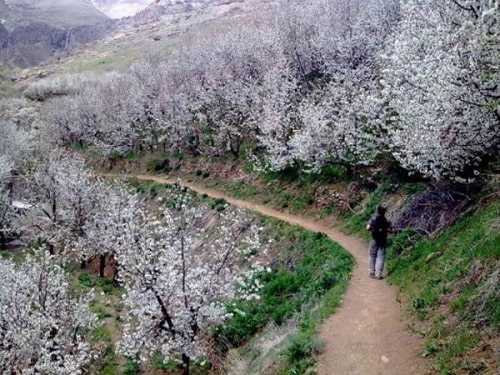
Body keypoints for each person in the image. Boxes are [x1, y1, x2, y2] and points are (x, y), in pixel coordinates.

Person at [366, 206, 394, 280]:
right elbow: (392, 230)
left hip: (374, 239)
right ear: (384, 212)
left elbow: (368, 228)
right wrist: (387, 230)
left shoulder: (373, 219)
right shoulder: (387, 221)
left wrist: (373, 229)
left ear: (377, 211)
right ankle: (379, 274)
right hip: (383, 240)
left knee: (372, 255)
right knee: (381, 257)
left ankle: (372, 272)